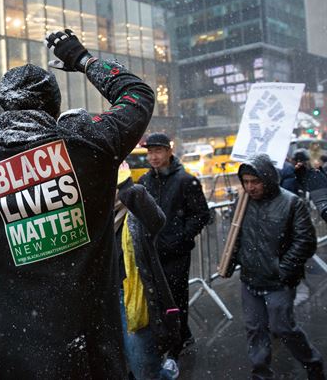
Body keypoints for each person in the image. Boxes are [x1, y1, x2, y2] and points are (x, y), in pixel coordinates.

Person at [0, 29, 155, 378]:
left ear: (3, 105)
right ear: (53, 109)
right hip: (92, 358)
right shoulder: (90, 147)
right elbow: (138, 95)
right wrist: (82, 60)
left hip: (9, 359)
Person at [224, 153, 324, 380]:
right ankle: (261, 374)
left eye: (255, 181)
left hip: (278, 282)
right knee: (255, 330)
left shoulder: (291, 203)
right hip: (250, 280)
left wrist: (283, 269)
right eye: (246, 182)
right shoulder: (242, 203)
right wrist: (231, 261)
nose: (250, 187)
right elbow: (235, 235)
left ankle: (313, 363)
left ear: (267, 179)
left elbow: (305, 241)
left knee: (283, 328)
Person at [138, 133, 210, 360]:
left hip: (176, 254)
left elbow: (201, 214)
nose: (153, 156)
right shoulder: (145, 182)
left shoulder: (185, 181)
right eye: (149, 152)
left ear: (169, 152)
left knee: (175, 298)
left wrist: (180, 238)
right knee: (156, 298)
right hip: (151, 252)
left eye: (158, 151)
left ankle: (176, 345)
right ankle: (178, 336)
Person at [115, 163, 180, 380]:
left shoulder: (134, 214)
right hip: (103, 300)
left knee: (144, 369)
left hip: (132, 300)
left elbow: (158, 220)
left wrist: (128, 188)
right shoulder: (92, 218)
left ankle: (166, 373)